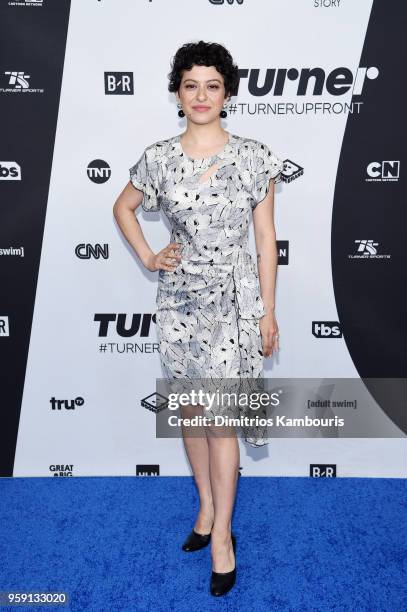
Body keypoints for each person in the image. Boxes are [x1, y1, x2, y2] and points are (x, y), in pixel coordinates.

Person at [113, 40, 283, 597]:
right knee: (190, 410)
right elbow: (123, 206)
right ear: (178, 93)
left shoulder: (256, 155)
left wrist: (267, 311)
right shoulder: (159, 157)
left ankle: (223, 540)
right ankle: (207, 510)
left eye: (213, 85)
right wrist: (148, 255)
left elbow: (264, 240)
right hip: (181, 301)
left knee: (221, 420)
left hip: (234, 304)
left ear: (227, 92)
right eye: (191, 85)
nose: (202, 95)